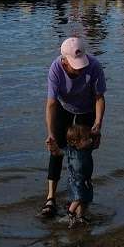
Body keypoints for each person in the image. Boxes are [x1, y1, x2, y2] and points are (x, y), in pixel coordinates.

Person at [39, 37, 106, 220]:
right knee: (57, 151)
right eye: (75, 66)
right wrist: (51, 134)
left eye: (81, 65)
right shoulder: (56, 69)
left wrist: (98, 124)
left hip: (87, 109)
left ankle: (80, 198)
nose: (80, 69)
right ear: (64, 61)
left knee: (84, 152)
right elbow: (51, 103)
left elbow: (99, 97)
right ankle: (51, 197)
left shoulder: (94, 66)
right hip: (63, 107)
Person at [62, 123, 95, 227]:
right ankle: (70, 212)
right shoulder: (71, 151)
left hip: (86, 179)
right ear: (76, 142)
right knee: (79, 197)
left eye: (88, 138)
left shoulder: (87, 149)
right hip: (75, 180)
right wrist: (53, 147)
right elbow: (59, 152)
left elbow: (94, 139)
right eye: (86, 139)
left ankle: (80, 216)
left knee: (87, 198)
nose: (89, 140)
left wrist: (96, 132)